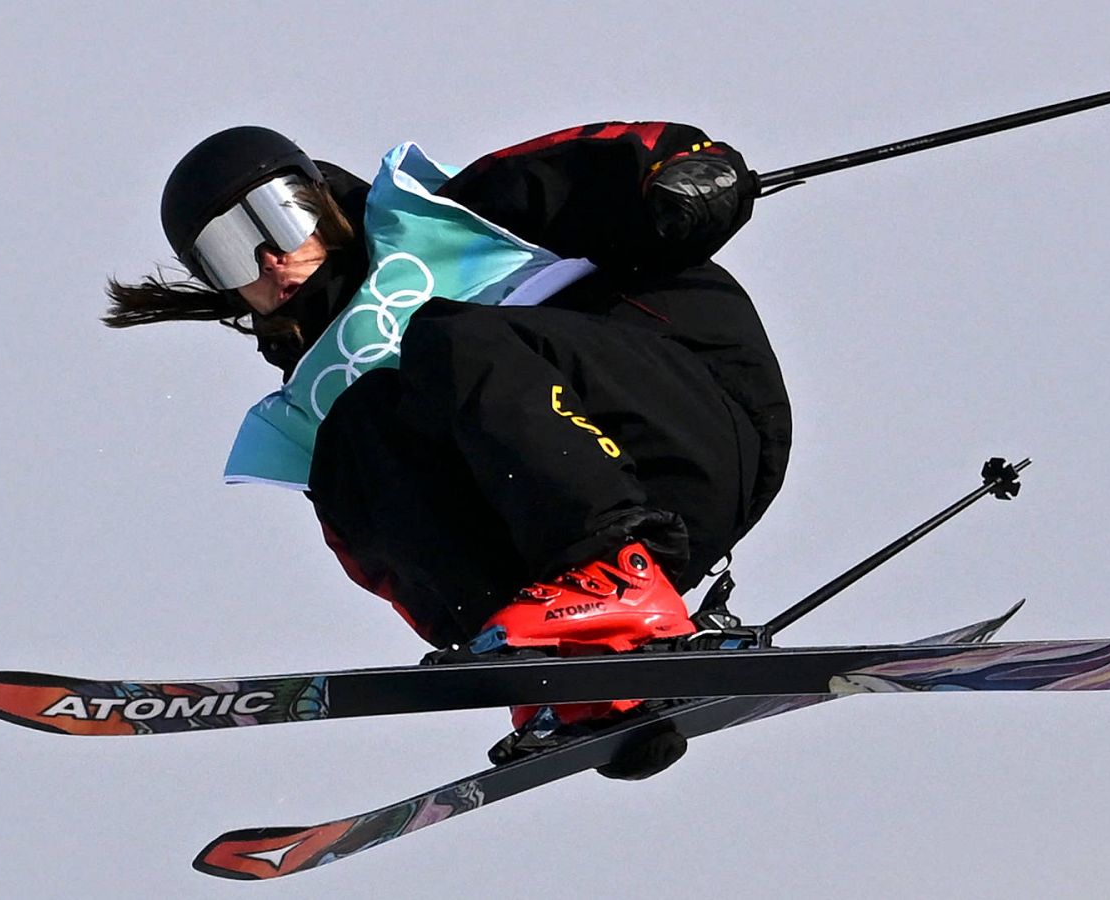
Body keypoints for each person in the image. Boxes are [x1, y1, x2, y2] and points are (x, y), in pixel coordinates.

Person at [105, 122, 792, 778]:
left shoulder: (444, 216)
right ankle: (577, 666)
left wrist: (688, 174)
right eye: (228, 251)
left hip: (693, 415)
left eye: (275, 218)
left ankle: (611, 577)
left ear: (315, 197)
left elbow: (609, 160)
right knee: (353, 438)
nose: (267, 258)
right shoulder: (312, 403)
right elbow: (381, 553)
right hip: (623, 516)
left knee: (444, 341)